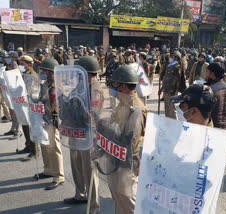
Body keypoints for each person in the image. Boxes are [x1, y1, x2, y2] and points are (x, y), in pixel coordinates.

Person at [63, 56, 104, 214]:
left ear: (86, 72)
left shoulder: (95, 89)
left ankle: (93, 206)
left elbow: (92, 115)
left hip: (87, 134)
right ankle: (80, 194)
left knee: (89, 169)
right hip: (74, 131)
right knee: (77, 165)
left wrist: (78, 111)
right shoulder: (80, 85)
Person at [106, 65, 147, 214]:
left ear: (123, 86)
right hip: (115, 157)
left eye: (115, 84)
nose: (113, 87)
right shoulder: (123, 104)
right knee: (118, 199)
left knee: (129, 202)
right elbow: (113, 125)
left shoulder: (136, 108)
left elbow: (131, 141)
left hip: (126, 162)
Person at [36, 58, 65, 190]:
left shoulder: (56, 86)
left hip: (52, 119)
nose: (41, 72)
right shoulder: (45, 83)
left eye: (44, 70)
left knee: (54, 147)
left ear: (51, 72)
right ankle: (48, 170)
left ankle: (58, 176)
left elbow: (55, 105)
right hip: (43, 117)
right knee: (44, 145)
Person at [17, 55, 37, 160]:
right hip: (24, 104)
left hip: (30, 104)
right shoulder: (24, 74)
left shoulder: (32, 75)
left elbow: (33, 92)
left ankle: (34, 151)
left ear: (29, 65)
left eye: (22, 64)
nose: (20, 66)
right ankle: (28, 145)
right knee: (25, 125)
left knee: (31, 127)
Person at [205, 63, 226, 130]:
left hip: (212, 128)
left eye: (207, 71)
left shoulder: (210, 89)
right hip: (224, 127)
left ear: (212, 74)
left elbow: (205, 111)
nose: (206, 74)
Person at [159, 50, 186, 119]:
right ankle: (168, 122)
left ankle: (174, 122)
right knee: (167, 109)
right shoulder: (169, 66)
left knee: (171, 109)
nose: (170, 58)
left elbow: (177, 80)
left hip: (172, 91)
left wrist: (173, 91)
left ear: (176, 58)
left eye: (172, 56)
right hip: (166, 90)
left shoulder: (178, 67)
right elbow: (165, 79)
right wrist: (161, 89)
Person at [3, 51, 21, 139]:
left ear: (13, 58)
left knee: (16, 112)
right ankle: (13, 128)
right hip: (9, 92)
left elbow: (17, 80)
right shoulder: (9, 66)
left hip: (15, 92)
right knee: (11, 110)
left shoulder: (15, 67)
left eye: (9, 57)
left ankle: (18, 130)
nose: (7, 58)